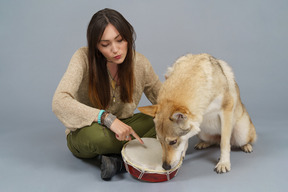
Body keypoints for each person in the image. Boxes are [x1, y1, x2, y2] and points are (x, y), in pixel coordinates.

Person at [52, 8, 162, 180]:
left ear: (128, 37)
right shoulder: (82, 58)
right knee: (95, 137)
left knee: (163, 124)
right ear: (96, 45)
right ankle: (130, 158)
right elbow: (59, 101)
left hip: (126, 127)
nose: (115, 49)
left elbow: (164, 100)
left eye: (120, 40)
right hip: (91, 130)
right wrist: (106, 119)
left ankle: (116, 161)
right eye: (105, 44)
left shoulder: (140, 63)